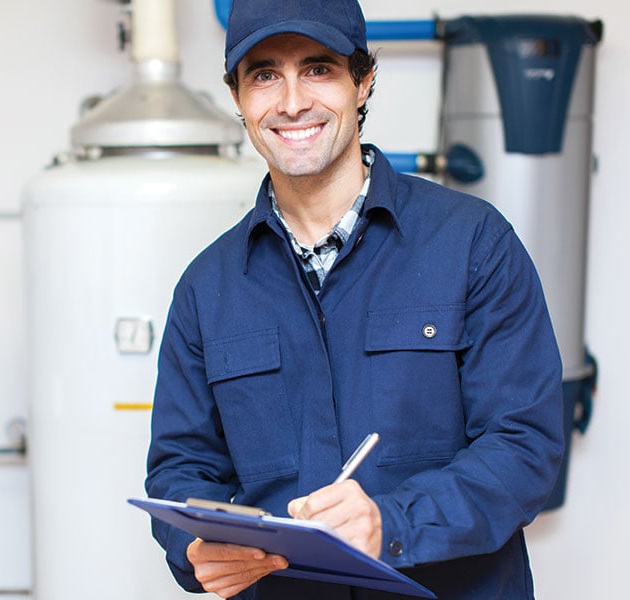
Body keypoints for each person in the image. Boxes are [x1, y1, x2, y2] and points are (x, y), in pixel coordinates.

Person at [145, 0, 564, 598]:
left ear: (362, 81)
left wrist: (391, 524)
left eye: (318, 68)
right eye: (264, 74)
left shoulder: (472, 243)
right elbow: (182, 468)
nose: (291, 102)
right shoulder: (206, 289)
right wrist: (194, 547)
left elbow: (525, 446)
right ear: (237, 97)